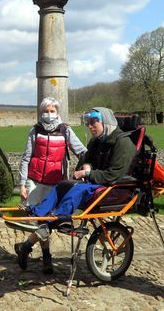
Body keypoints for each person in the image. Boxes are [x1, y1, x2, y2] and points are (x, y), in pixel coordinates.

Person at [14, 107, 135, 269]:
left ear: (105, 122)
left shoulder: (123, 143)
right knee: (63, 185)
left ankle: (60, 216)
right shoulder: (96, 140)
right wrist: (86, 166)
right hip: (95, 180)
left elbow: (114, 174)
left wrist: (88, 172)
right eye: (87, 124)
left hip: (111, 185)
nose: (90, 127)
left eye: (93, 123)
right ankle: (38, 211)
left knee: (78, 190)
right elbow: (86, 159)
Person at [15, 97, 87, 274]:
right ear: (41, 112)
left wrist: (89, 167)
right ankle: (46, 257)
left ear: (58, 112)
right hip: (36, 180)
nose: (49, 114)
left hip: (57, 184)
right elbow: (26, 158)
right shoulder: (35, 131)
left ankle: (26, 247)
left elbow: (82, 151)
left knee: (51, 220)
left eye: (52, 110)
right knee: (41, 219)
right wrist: (22, 184)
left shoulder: (65, 130)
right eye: (45, 111)